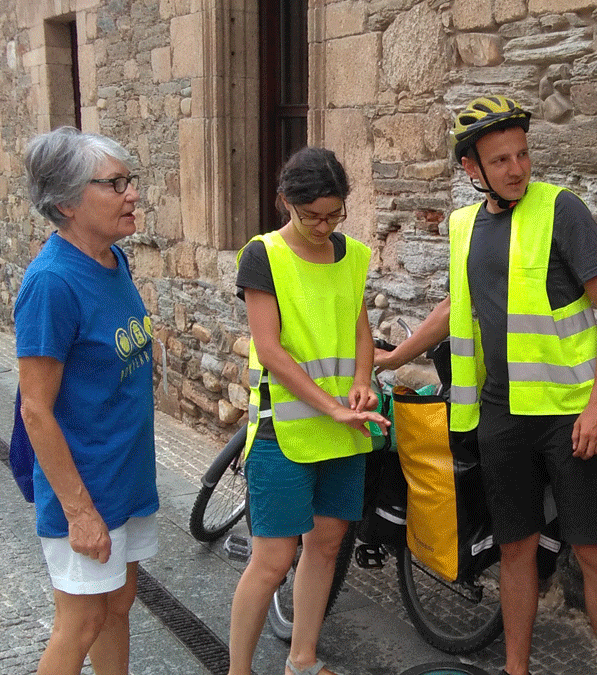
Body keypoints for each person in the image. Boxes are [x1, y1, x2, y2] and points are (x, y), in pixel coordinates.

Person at [376, 96, 597, 675]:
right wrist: (396, 359)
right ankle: (515, 669)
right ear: (472, 168)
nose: (516, 168)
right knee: (514, 548)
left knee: (592, 549)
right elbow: (453, 307)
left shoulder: (561, 210)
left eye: (522, 154)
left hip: (569, 413)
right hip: (500, 415)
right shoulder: (465, 225)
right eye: (500, 160)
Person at [226, 147, 388, 675]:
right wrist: (329, 407)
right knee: (273, 559)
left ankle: (303, 659)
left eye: (334, 214)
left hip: (343, 429)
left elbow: (361, 330)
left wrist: (362, 383)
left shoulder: (354, 256)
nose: (323, 225)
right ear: (285, 203)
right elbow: (269, 348)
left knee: (326, 545)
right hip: (283, 430)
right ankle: (239, 670)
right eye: (311, 214)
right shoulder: (262, 255)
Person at [15, 127, 158, 675]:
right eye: (115, 184)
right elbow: (35, 409)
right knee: (80, 624)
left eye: (130, 180)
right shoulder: (52, 283)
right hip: (85, 488)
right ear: (68, 203)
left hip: (124, 477)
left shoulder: (112, 261)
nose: (133, 193)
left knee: (118, 605)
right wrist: (79, 512)